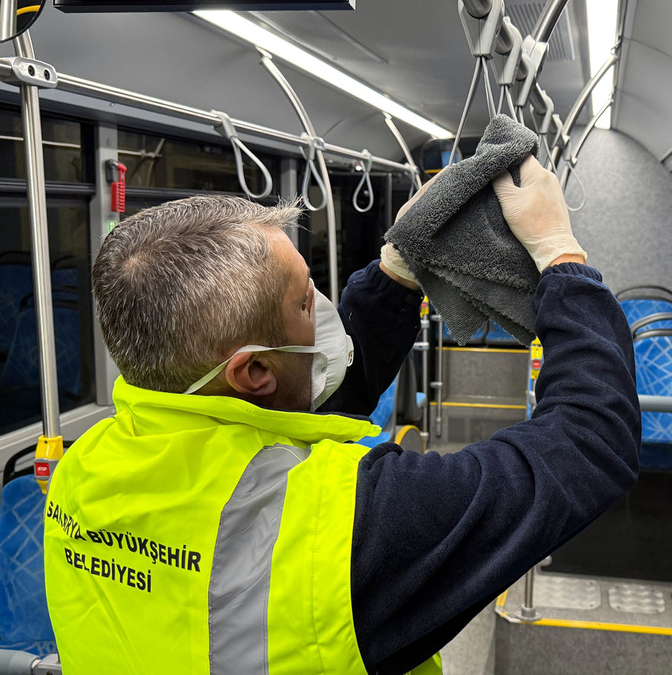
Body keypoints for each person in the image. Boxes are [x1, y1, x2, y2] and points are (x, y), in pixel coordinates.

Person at [43, 156, 641, 675]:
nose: (325, 308)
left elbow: (304, 400)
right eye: (307, 301)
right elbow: (589, 442)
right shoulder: (350, 527)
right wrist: (560, 257)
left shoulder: (84, 468)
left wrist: (396, 271)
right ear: (253, 370)